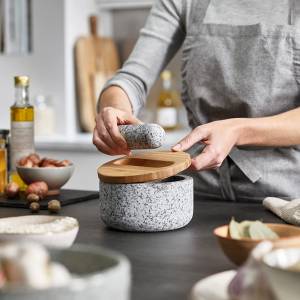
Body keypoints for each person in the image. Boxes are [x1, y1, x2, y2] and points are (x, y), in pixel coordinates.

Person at [93, 0, 300, 202]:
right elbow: (131, 78)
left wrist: (238, 131)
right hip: (196, 193)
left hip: (285, 198)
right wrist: (114, 109)